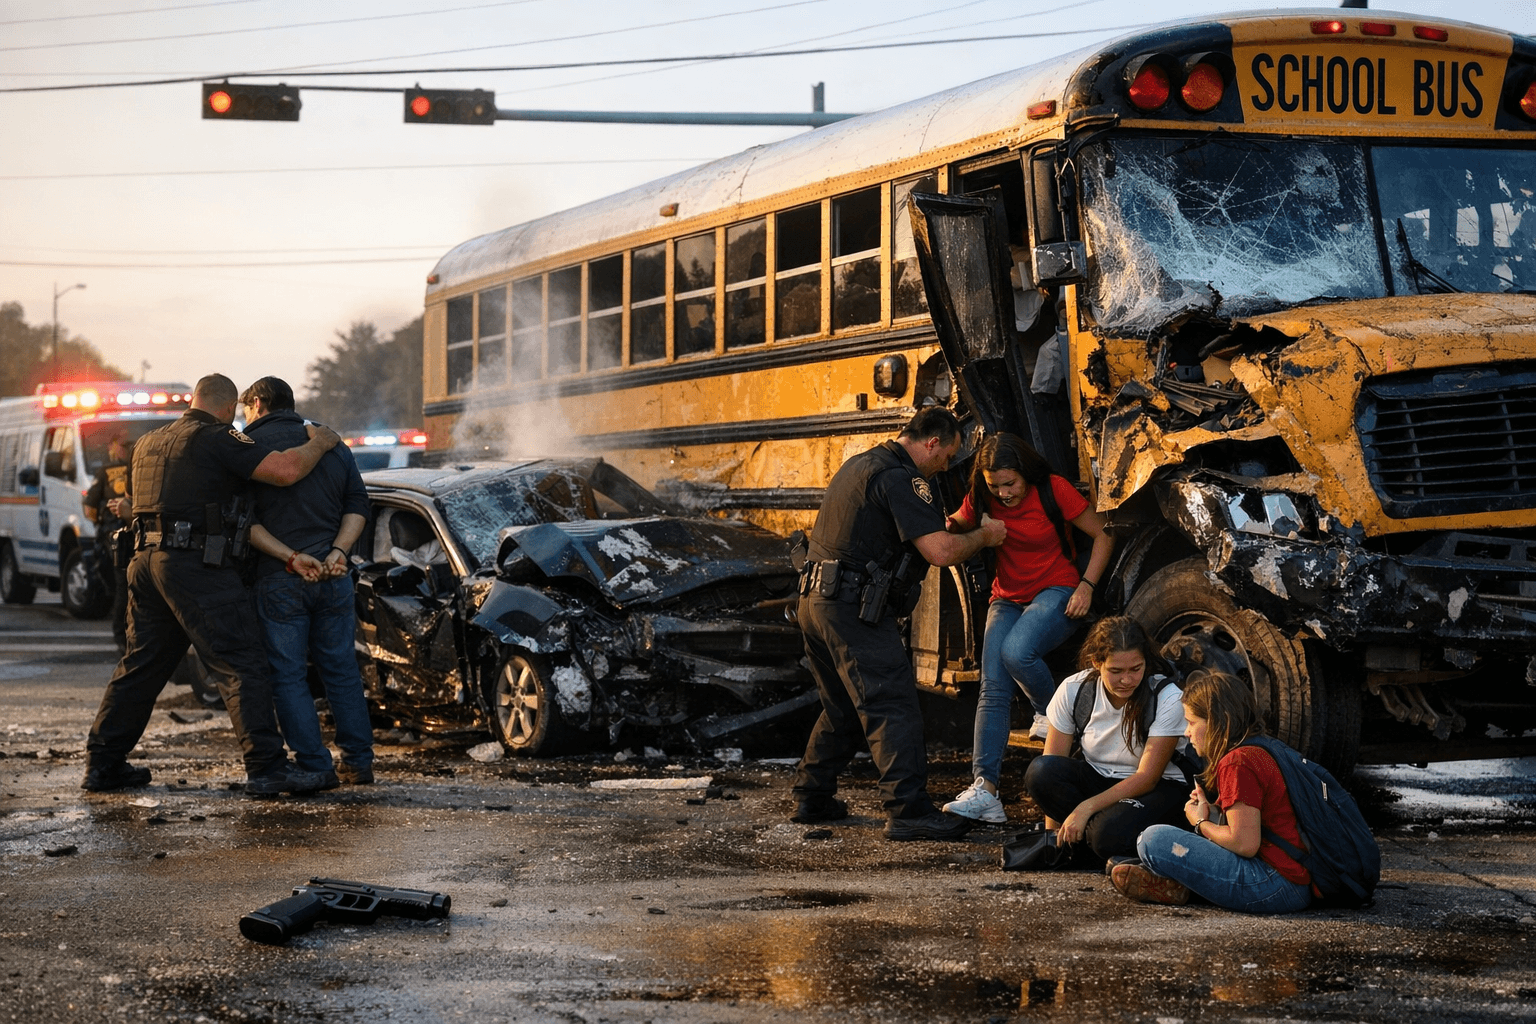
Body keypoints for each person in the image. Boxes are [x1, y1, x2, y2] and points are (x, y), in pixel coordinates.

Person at [81, 373, 341, 796]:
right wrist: (321, 442)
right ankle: (267, 769)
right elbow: (285, 471)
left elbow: (139, 503)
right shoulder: (218, 437)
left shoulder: (147, 443)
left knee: (142, 666)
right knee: (242, 664)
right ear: (229, 408)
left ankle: (102, 764)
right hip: (195, 566)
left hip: (145, 564)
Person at [790, 407, 1007, 841]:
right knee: (893, 706)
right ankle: (908, 810)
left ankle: (811, 797)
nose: (946, 465)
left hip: (815, 602)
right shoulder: (904, 478)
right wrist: (985, 536)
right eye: (946, 456)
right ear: (932, 442)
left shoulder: (861, 463)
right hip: (853, 607)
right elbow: (941, 552)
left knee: (843, 706)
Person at [942, 433, 1112, 824]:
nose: (1003, 493)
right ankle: (984, 790)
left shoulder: (1054, 489)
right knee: (993, 686)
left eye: (1010, 483)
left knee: (1017, 652)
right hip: (1007, 595)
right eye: (994, 485)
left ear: (1025, 474)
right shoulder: (982, 497)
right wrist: (951, 525)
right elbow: (954, 527)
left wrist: (1087, 586)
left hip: (1058, 587)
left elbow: (1104, 533)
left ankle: (1048, 713)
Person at [240, 376, 376, 786]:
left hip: (281, 577)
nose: (244, 416)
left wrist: (293, 557)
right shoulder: (331, 444)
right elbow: (358, 503)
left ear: (259, 403)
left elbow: (245, 522)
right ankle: (358, 760)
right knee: (341, 670)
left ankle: (315, 764)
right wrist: (338, 552)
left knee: (288, 675)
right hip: (334, 576)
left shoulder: (244, 447)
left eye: (246, 408)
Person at [1113, 671, 1314, 913]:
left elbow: (1244, 843)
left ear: (1218, 721)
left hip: (1273, 886)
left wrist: (1199, 822)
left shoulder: (1237, 762)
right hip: (1293, 881)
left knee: (1151, 840)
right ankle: (1176, 883)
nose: (1186, 733)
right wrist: (1213, 811)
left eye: (1191, 722)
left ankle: (1178, 884)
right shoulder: (1261, 747)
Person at [1017, 616, 1190, 862]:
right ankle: (1096, 845)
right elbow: (1053, 762)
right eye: (1116, 671)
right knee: (1040, 771)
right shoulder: (1074, 690)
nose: (1127, 680)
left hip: (1153, 789)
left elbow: (1147, 778)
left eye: (1136, 669)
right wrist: (1051, 836)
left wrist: (1085, 808)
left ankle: (1098, 843)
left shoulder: (1167, 697)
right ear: (1097, 663)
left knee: (1106, 835)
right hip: (1099, 779)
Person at [83, 433, 132, 655]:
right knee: (128, 586)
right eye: (125, 445)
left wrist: (101, 523)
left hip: (115, 537)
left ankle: (122, 638)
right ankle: (124, 637)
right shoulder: (140, 466)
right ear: (113, 445)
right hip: (133, 534)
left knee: (122, 586)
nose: (126, 449)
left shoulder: (104, 471)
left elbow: (89, 509)